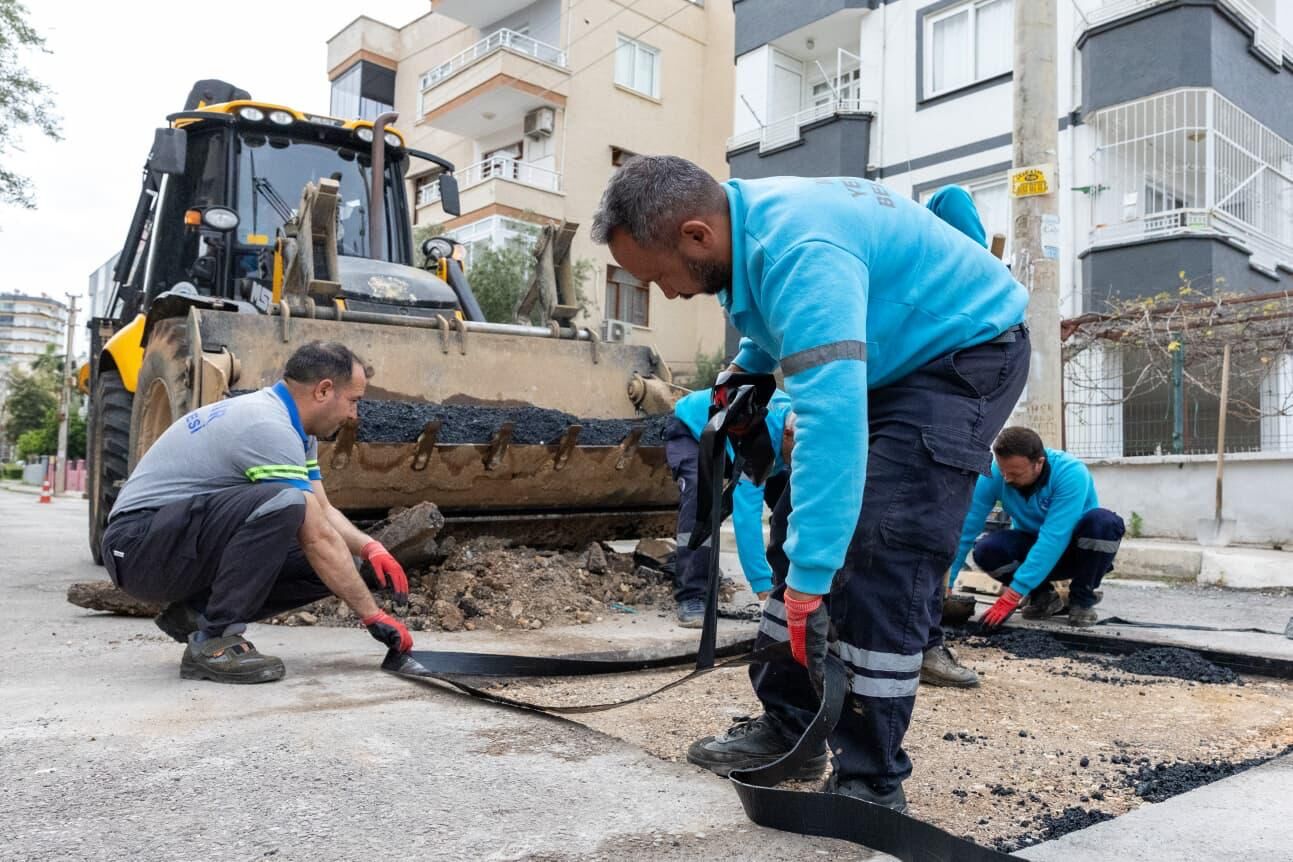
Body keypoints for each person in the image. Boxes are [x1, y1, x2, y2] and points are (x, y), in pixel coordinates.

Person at [591, 156, 1029, 811]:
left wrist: (813, 574)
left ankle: (870, 780)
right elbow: (778, 322)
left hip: (964, 353)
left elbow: (830, 413)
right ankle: (789, 729)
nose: (669, 294)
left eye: (659, 276)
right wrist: (743, 374)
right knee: (798, 528)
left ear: (695, 236)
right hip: (896, 356)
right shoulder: (749, 232)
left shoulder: (800, 250)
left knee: (881, 544)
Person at [102, 341, 413, 684]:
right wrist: (372, 615)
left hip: (173, 541)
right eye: (353, 401)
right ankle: (215, 641)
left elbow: (322, 510)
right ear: (324, 390)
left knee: (342, 562)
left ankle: (197, 614)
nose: (355, 414)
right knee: (286, 503)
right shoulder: (266, 426)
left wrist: (370, 547)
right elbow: (316, 532)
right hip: (137, 547)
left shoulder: (295, 430)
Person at [917, 184, 992, 688]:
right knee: (916, 538)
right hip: (925, 424)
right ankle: (920, 645)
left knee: (927, 538)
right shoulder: (935, 280)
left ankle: (922, 643)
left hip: (949, 426)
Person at [953, 426, 1126, 628]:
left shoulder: (1070, 473)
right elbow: (966, 528)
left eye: (1015, 473)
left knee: (1104, 523)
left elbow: (1054, 538)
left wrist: (1013, 594)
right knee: (985, 549)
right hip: (1032, 548)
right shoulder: (995, 473)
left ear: (1039, 463)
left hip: (1076, 554)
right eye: (1003, 471)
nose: (1007, 478)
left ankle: (1082, 599)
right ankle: (1043, 597)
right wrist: (945, 584)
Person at [666, 387, 792, 626]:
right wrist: (763, 588)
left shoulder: (802, 418)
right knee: (701, 496)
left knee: (790, 501)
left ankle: (787, 584)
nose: (800, 460)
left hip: (735, 433)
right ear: (788, 434)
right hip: (693, 430)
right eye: (796, 453)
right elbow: (746, 519)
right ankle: (692, 594)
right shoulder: (759, 441)